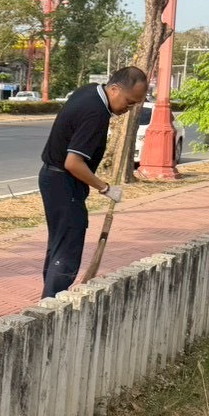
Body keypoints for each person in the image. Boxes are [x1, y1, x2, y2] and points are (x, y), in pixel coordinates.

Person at [38, 65, 148, 298]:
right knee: (68, 245)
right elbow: (73, 162)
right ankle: (51, 304)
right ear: (115, 89)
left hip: (54, 178)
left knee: (59, 243)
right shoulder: (95, 112)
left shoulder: (90, 91)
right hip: (63, 181)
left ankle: (48, 300)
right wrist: (105, 188)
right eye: (129, 102)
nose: (128, 109)